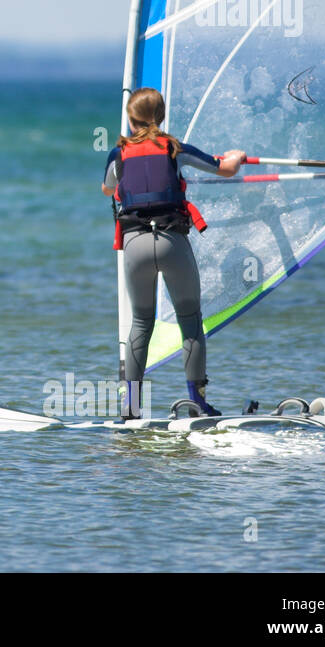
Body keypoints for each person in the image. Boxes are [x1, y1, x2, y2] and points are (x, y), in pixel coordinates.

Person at [100, 87, 246, 419]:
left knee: (140, 322)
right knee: (190, 320)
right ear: (161, 117)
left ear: (130, 118)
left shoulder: (118, 153)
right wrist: (235, 157)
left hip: (135, 244)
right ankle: (198, 403)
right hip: (171, 242)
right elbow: (225, 168)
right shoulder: (174, 148)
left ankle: (132, 409)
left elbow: (107, 188)